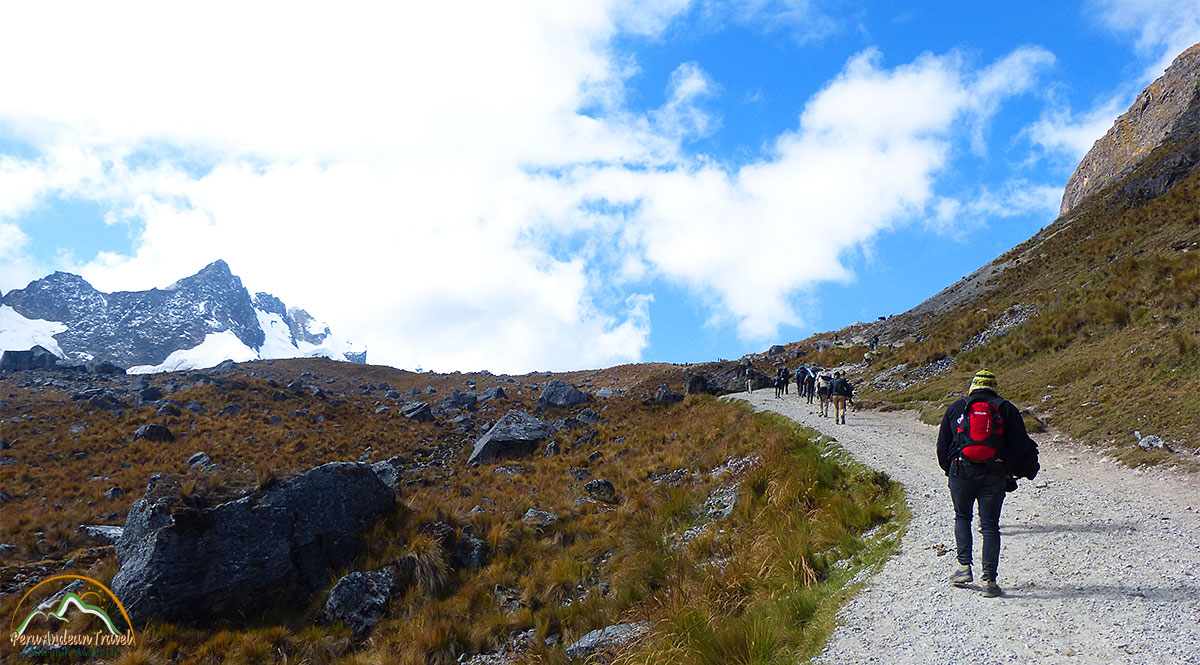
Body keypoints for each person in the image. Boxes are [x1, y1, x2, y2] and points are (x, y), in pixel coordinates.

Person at [936, 369, 1040, 598]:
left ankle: (964, 568)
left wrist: (949, 471)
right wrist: (1018, 470)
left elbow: (942, 446)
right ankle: (989, 581)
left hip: (960, 470)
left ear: (972, 386)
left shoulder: (956, 407)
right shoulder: (1006, 408)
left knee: (963, 517)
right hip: (994, 472)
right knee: (991, 525)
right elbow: (1020, 443)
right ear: (994, 387)